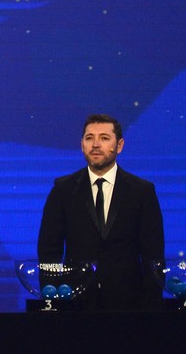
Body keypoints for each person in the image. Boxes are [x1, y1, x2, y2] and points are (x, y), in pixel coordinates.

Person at [37, 114, 164, 311]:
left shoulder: (142, 191)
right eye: (89, 138)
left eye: (104, 138)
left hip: (129, 305)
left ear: (119, 145)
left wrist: (151, 308)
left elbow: (153, 255)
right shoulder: (63, 189)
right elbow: (48, 251)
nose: (96, 144)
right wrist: (52, 299)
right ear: (82, 145)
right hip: (75, 304)